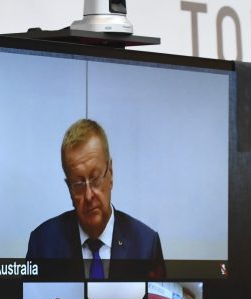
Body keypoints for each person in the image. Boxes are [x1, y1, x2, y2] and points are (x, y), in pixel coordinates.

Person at [25, 118, 166, 280]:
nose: (89, 195)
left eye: (95, 178)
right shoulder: (42, 245)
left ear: (110, 173)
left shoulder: (147, 246)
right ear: (69, 188)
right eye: (78, 184)